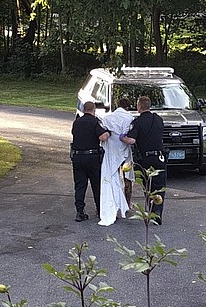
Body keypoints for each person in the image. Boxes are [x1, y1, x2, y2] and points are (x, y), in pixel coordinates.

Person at [120, 96, 166, 225]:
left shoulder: (138, 122)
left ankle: (150, 210)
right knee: (159, 186)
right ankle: (158, 212)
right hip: (159, 157)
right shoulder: (158, 119)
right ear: (149, 106)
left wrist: (122, 138)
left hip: (145, 159)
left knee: (147, 185)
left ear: (139, 106)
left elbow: (132, 140)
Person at [70, 101, 111, 222]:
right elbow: (102, 137)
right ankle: (100, 210)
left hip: (77, 157)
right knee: (96, 185)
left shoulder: (76, 122)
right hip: (92, 158)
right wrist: (108, 133)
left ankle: (79, 212)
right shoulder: (94, 122)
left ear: (83, 110)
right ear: (94, 110)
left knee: (80, 186)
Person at [98, 98, 134, 226]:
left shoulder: (107, 118)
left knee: (113, 177)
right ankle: (127, 203)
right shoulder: (130, 118)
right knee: (127, 178)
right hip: (124, 152)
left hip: (111, 152)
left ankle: (115, 203)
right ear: (128, 107)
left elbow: (104, 132)